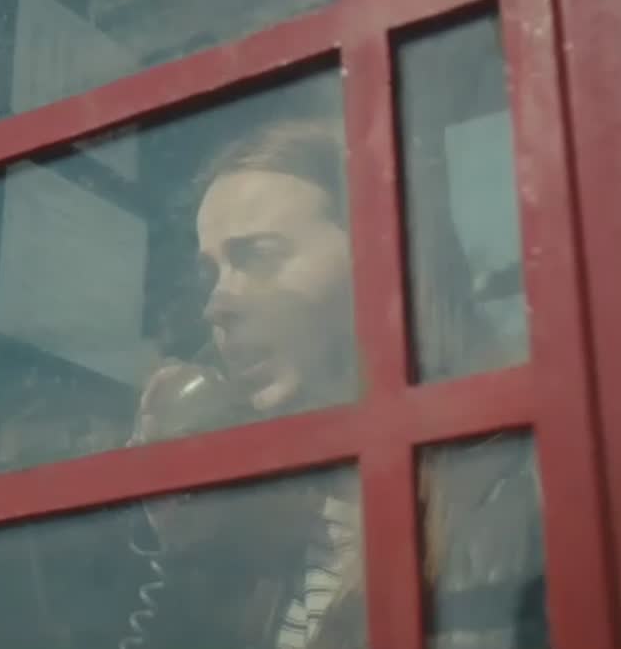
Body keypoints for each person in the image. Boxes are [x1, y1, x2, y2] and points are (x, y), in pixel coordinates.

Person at [127, 117, 547, 649]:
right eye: (212, 274)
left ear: (381, 259)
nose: (217, 305)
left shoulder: (514, 489)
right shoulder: (263, 522)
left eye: (260, 256)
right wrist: (188, 541)